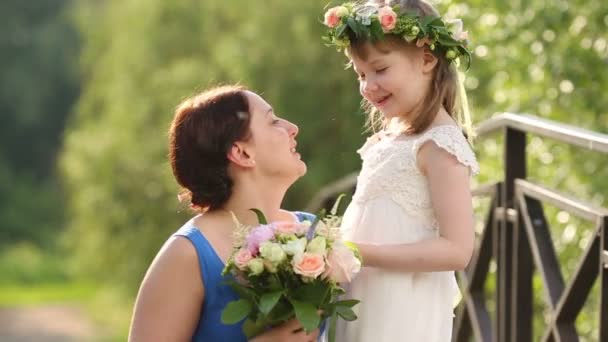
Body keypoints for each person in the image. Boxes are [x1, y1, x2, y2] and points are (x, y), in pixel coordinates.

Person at [322, 1, 480, 341]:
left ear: (426, 59)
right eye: (361, 74)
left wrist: (360, 252)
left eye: (380, 70)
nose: (367, 86)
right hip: (364, 295)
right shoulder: (392, 137)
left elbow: (457, 249)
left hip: (401, 306)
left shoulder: (440, 146)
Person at [128, 85, 320, 342]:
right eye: (273, 121)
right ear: (242, 153)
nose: (292, 127)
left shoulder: (314, 235)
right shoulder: (187, 254)